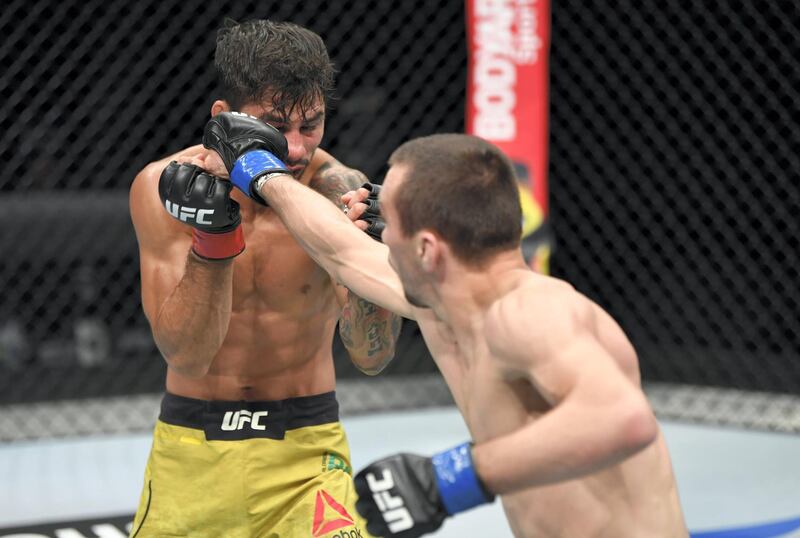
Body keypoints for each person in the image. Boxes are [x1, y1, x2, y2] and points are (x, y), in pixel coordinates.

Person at [204, 122, 689, 536]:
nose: (376, 231)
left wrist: (447, 480)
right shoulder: (449, 308)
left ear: (428, 250)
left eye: (388, 222)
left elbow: (624, 418)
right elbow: (342, 251)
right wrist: (259, 174)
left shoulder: (530, 312)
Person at [127, 19, 401, 538]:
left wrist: (382, 260)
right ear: (223, 117)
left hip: (307, 452)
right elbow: (187, 356)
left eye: (311, 125)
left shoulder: (337, 195)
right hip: (192, 447)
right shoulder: (163, 189)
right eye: (275, 126)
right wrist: (212, 242)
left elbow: (373, 357)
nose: (296, 150)